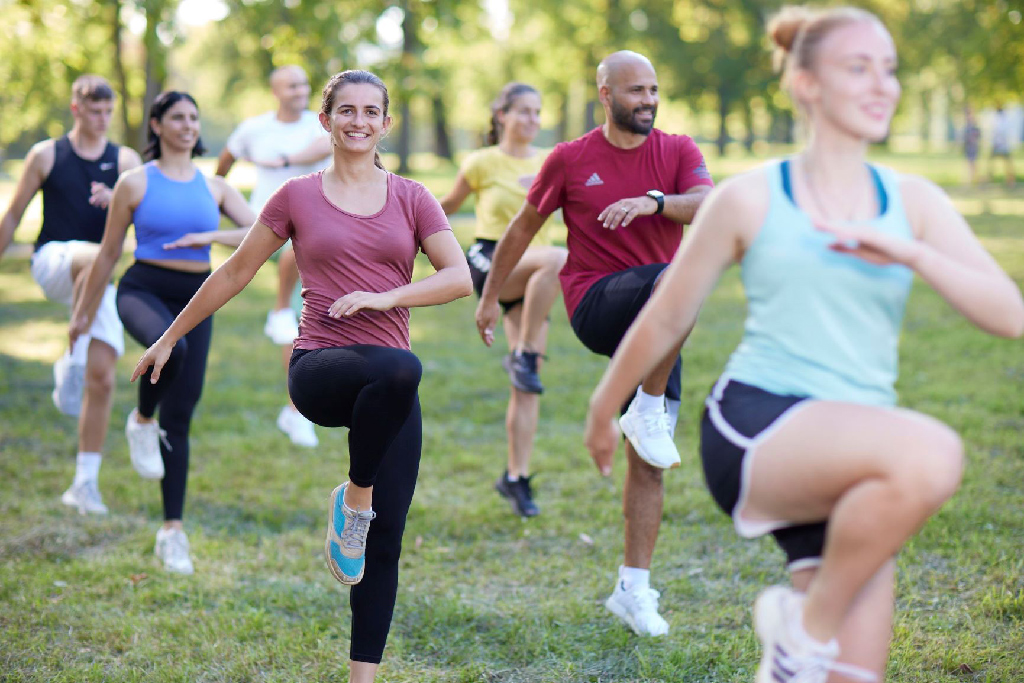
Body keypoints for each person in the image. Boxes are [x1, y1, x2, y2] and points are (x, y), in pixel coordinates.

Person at [584, 7, 1024, 682]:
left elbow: (1009, 314)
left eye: (890, 68)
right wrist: (604, 407)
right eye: (859, 67)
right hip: (758, 424)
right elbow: (667, 315)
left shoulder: (916, 200)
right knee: (935, 452)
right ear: (808, 84)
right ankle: (803, 628)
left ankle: (802, 642)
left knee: (851, 674)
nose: (883, 84)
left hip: (852, 451)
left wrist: (912, 252)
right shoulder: (751, 197)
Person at [132, 70, 471, 682]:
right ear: (326, 121)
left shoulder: (413, 197)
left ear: (386, 123)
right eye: (346, 110)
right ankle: (355, 496)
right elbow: (234, 273)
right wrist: (167, 337)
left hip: (387, 389)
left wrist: (383, 298)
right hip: (319, 365)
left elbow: (457, 277)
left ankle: (361, 675)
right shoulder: (296, 196)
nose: (359, 121)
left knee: (385, 538)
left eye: (371, 111)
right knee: (404, 368)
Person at [476, 52, 713, 635]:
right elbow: (522, 229)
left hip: (662, 321)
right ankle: (649, 409)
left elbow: (710, 205)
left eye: (654, 89)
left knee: (650, 461)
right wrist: (487, 300)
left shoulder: (678, 151)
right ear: (605, 94)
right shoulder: (570, 159)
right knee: (675, 281)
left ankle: (634, 589)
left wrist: (655, 202)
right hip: (596, 302)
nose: (648, 101)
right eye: (636, 91)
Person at [70, 91, 255, 574]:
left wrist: (211, 237)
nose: (189, 125)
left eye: (194, 117)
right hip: (143, 288)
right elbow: (109, 254)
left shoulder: (214, 186)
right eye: (178, 117)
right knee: (174, 349)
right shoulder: (134, 183)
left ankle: (172, 530)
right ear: (156, 124)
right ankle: (141, 420)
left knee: (183, 416)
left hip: (199, 295)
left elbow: (264, 232)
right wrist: (81, 315)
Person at [0, 74, 141, 514]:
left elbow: (143, 220)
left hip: (99, 279)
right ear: (76, 109)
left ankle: (83, 484)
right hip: (54, 263)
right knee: (89, 255)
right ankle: (72, 349)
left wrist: (117, 199)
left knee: (102, 379)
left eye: (107, 112)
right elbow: (12, 216)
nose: (101, 120)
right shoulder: (46, 154)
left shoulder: (125, 161)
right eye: (93, 111)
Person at [439, 82, 567, 517]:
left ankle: (516, 477)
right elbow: (445, 207)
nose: (533, 119)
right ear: (502, 116)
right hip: (494, 259)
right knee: (559, 259)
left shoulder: (551, 162)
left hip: (536, 276)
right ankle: (525, 355)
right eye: (524, 111)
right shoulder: (481, 162)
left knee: (526, 389)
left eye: (538, 112)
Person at [217, 64, 332, 447]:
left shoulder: (320, 125)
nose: (301, 90)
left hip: (307, 231)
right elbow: (226, 160)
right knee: (296, 258)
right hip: (262, 227)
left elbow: (324, 145)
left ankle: (295, 408)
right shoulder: (255, 128)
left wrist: (285, 161)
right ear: (275, 91)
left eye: (304, 83)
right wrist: (216, 200)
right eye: (292, 85)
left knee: (304, 323)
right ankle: (282, 310)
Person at [988, 105, 1016, 187]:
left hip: (1000, 145)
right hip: (1001, 145)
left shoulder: (999, 120)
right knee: (1004, 164)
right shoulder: (1003, 119)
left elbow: (999, 133)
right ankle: (1009, 181)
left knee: (1006, 164)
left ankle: (1010, 181)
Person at [963, 105, 981, 187]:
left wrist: (973, 138)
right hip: (969, 146)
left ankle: (975, 179)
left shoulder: (973, 122)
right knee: (970, 163)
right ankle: (971, 179)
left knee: (972, 163)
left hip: (973, 146)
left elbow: (977, 133)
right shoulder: (967, 123)